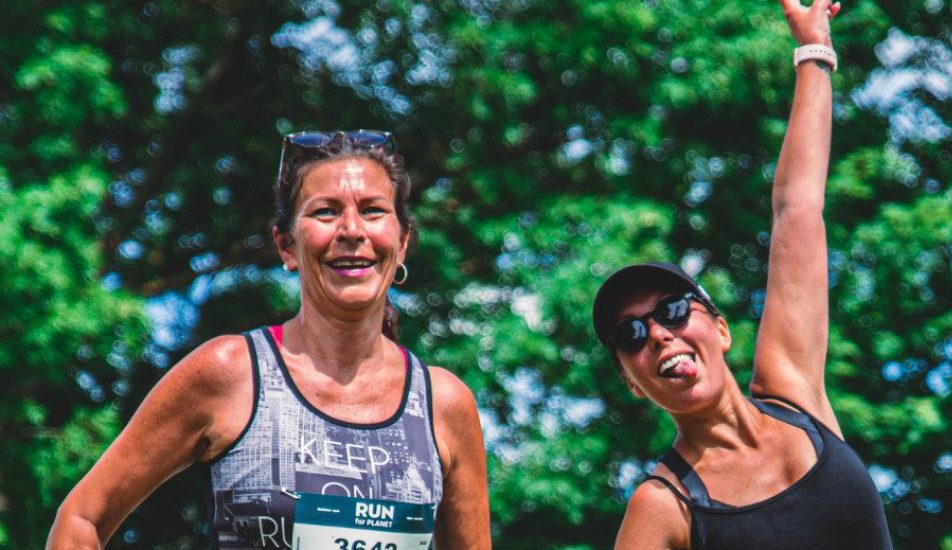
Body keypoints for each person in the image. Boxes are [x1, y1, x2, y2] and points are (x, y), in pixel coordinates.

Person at [48, 130, 491, 549]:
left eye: (373, 210)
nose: (352, 230)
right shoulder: (228, 373)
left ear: (403, 242)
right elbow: (80, 520)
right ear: (285, 245)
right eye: (325, 211)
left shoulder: (444, 406)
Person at [592, 2, 893, 549]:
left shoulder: (795, 394)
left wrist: (813, 51)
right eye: (630, 335)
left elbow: (797, 209)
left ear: (722, 329)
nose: (659, 333)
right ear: (631, 383)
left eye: (673, 310)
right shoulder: (662, 506)